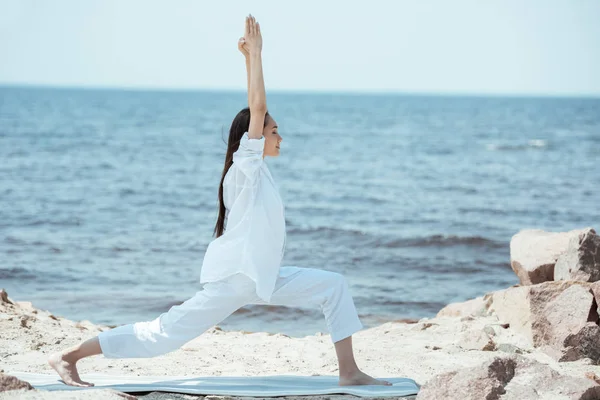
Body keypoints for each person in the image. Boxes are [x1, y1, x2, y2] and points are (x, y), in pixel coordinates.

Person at [48, 14, 393, 388]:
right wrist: (258, 56)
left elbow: (255, 114)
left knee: (333, 286)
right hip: (235, 280)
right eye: (274, 131)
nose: (280, 137)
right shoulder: (245, 167)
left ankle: (349, 372)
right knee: (162, 335)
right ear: (254, 137)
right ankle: (68, 356)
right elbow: (256, 110)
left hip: (262, 278)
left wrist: (246, 58)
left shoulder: (257, 170)